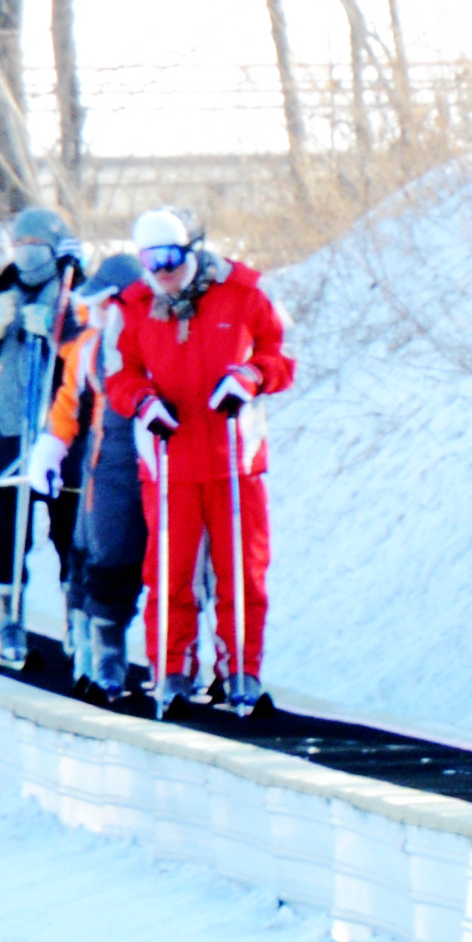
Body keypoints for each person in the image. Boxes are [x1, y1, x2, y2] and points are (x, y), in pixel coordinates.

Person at [100, 207, 295, 717]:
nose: (162, 270)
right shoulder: (135, 305)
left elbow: (280, 355)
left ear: (190, 250)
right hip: (169, 462)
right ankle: (174, 670)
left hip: (235, 457)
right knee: (169, 574)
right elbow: (119, 376)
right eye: (150, 259)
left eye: (170, 256)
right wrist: (143, 401)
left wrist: (250, 378)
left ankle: (240, 671)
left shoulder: (242, 291)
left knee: (242, 572)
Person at [0, 208, 81, 670]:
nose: (27, 252)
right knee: (10, 531)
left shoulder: (74, 293)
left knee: (68, 530)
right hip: (11, 429)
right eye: (20, 242)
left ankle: (80, 620)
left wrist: (54, 335)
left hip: (59, 432)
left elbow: (88, 356)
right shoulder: (4, 291)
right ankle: (7, 623)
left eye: (37, 243)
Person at [63, 248, 156, 701]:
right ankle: (101, 651)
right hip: (109, 467)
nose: (93, 312)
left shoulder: (157, 335)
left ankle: (173, 659)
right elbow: (69, 403)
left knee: (159, 563)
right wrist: (53, 445)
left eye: (102, 303)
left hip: (158, 464)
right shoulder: (90, 347)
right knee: (104, 554)